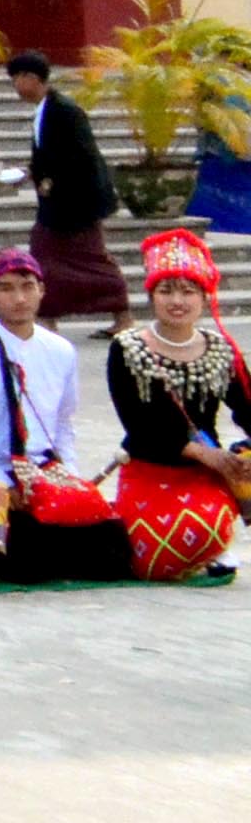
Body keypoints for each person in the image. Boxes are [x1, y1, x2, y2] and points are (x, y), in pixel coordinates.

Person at [0, 248, 130, 585]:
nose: (19, 298)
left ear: (42, 289)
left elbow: (62, 423)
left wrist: (69, 478)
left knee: (113, 548)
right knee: (27, 559)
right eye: (6, 288)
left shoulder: (60, 350)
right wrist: (2, 482)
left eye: (27, 286)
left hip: (45, 471)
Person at [110, 229, 251, 583]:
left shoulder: (221, 349)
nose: (177, 301)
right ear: (151, 296)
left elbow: (248, 407)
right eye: (166, 291)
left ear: (205, 297)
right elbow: (138, 426)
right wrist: (206, 454)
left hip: (205, 474)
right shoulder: (128, 349)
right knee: (153, 559)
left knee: (205, 524)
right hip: (149, 469)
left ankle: (216, 541)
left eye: (188, 291)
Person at [0, 51, 129, 324]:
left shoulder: (65, 110)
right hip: (58, 205)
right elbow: (51, 154)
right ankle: (48, 316)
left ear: (32, 78)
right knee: (46, 257)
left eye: (17, 79)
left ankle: (122, 316)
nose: (15, 86)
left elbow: (81, 156)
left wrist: (51, 180)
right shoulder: (45, 110)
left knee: (92, 260)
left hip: (77, 203)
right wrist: (32, 172)